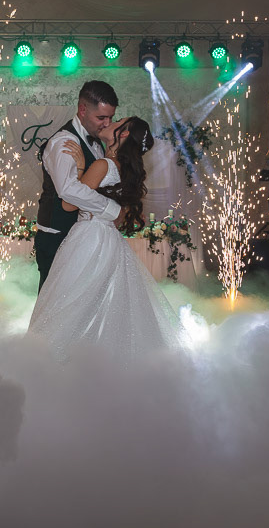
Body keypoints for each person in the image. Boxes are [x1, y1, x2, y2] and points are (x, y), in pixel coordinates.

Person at [29, 117, 184, 359]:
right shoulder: (122, 169)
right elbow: (119, 217)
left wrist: (81, 168)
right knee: (103, 304)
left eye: (118, 121)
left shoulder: (102, 164)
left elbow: (68, 204)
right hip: (111, 240)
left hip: (89, 238)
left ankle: (53, 358)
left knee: (70, 301)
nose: (109, 123)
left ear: (124, 134)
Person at [34, 80, 122, 292]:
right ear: (83, 110)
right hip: (58, 236)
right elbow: (69, 190)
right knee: (55, 303)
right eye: (101, 117)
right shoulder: (64, 142)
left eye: (110, 117)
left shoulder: (97, 142)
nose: (107, 123)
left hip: (83, 237)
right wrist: (112, 210)